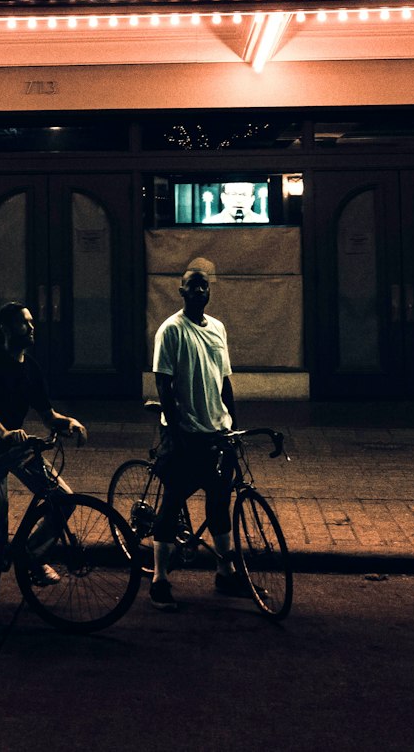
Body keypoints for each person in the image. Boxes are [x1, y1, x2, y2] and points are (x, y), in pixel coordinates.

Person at [0, 300, 88, 624]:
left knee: (62, 499)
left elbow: (48, 415)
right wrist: (2, 432)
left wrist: (68, 422)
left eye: (31, 323)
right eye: (23, 323)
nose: (31, 328)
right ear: (5, 328)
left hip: (16, 449)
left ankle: (30, 557)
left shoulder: (31, 368)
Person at [147, 256, 239, 610]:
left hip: (218, 432)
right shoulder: (171, 330)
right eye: (193, 284)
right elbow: (163, 384)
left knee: (219, 503)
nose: (200, 289)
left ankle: (225, 573)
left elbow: (225, 379)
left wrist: (234, 422)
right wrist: (178, 429)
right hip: (187, 433)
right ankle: (159, 580)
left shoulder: (217, 328)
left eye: (205, 285)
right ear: (181, 290)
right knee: (172, 503)